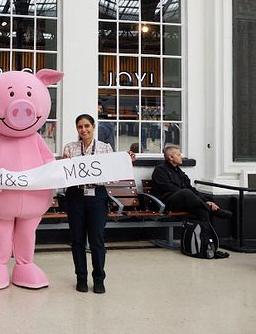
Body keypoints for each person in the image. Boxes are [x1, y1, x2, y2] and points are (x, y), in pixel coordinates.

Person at [62, 113, 135, 295]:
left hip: (97, 196)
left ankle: (99, 278)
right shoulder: (70, 148)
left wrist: (126, 159)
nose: (84, 130)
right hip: (75, 195)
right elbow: (65, 173)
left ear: (93, 127)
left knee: (97, 239)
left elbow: (113, 168)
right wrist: (63, 165)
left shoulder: (104, 147)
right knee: (77, 239)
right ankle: (81, 278)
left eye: (87, 126)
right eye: (80, 127)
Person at [151, 146, 233, 224]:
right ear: (171, 157)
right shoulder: (160, 170)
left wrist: (206, 201)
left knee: (202, 211)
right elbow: (169, 188)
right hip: (165, 203)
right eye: (178, 155)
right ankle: (214, 211)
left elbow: (191, 189)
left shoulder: (178, 171)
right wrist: (187, 194)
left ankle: (205, 237)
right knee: (186, 192)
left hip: (183, 201)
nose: (181, 157)